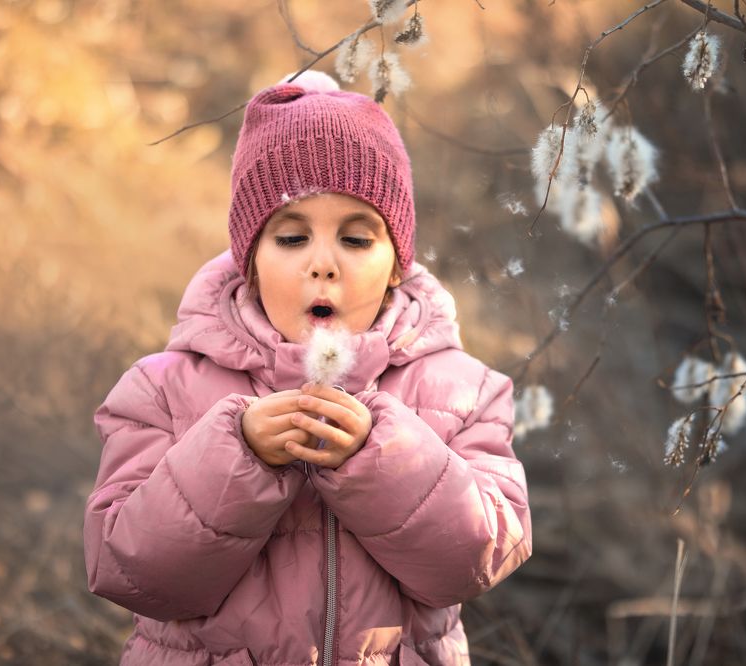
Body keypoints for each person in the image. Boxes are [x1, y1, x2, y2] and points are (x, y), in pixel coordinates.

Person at [84, 70, 532, 666]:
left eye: (356, 240)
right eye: (292, 239)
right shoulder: (161, 388)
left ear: (397, 263)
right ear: (249, 261)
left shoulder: (461, 389)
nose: (323, 264)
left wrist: (381, 457)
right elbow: (128, 571)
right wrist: (235, 454)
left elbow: (476, 560)